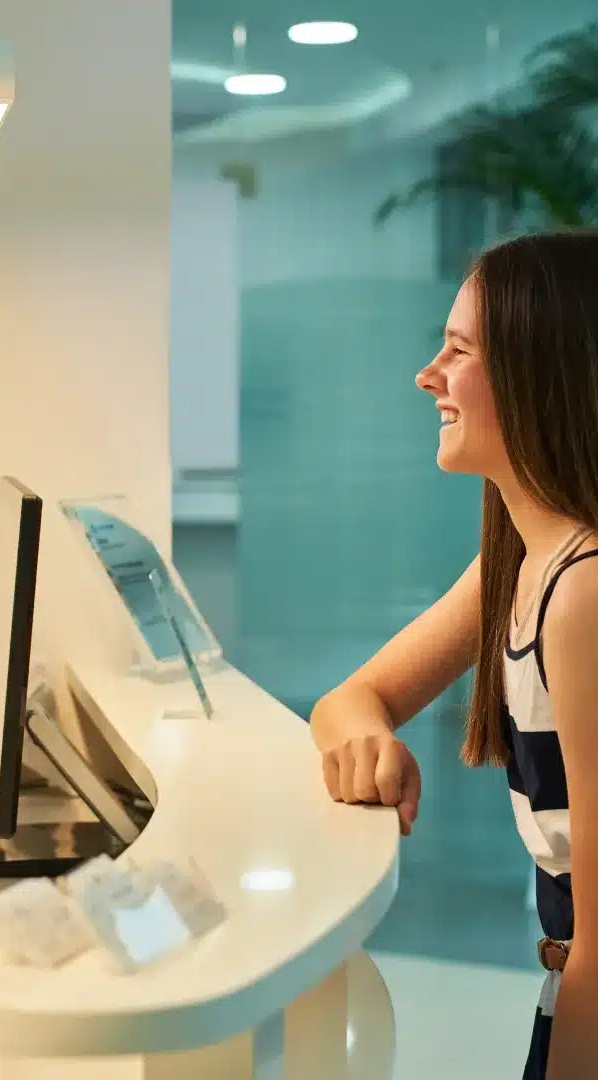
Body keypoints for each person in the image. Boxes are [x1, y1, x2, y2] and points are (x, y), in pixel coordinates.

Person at [310, 231, 598, 1080]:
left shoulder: (583, 590)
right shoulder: (519, 555)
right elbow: (352, 697)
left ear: (536, 369)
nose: (427, 374)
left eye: (459, 350)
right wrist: (367, 741)